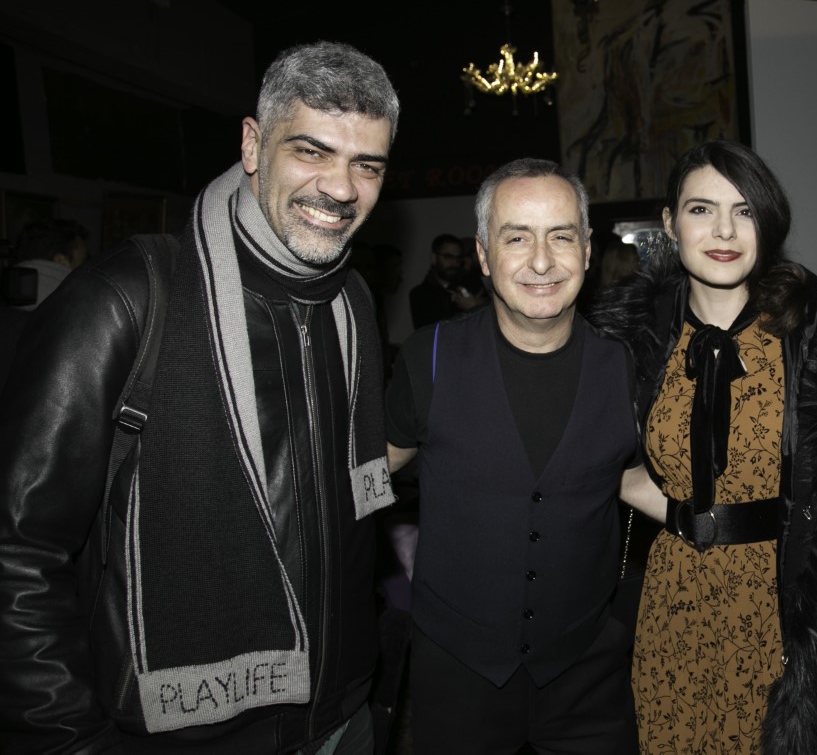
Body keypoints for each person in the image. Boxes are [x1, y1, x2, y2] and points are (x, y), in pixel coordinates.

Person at [0, 41, 401, 754]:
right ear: (252, 144)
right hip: (184, 735)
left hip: (343, 716)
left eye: (366, 165)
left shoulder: (354, 301)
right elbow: (18, 550)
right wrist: (71, 741)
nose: (342, 188)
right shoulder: (126, 297)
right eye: (311, 151)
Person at [591, 140, 817, 754]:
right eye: (701, 209)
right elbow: (602, 461)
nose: (724, 230)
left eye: (744, 210)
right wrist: (682, 515)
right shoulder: (632, 339)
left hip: (778, 603)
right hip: (674, 596)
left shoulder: (815, 333)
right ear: (670, 223)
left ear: (768, 223)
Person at [384, 158, 638, 754]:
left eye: (561, 237)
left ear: (587, 250)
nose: (541, 262)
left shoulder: (625, 364)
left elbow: (631, 480)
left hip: (587, 669)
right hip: (458, 672)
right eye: (517, 238)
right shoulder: (428, 357)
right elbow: (371, 472)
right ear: (483, 254)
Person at [408, 233, 486, 328]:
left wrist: (475, 305)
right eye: (448, 257)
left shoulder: (472, 283)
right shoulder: (419, 294)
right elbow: (427, 331)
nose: (454, 262)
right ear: (434, 258)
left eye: (458, 258)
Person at [11, 217, 90, 309]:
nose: (87, 269)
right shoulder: (80, 310)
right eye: (83, 262)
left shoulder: (8, 309)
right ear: (61, 262)